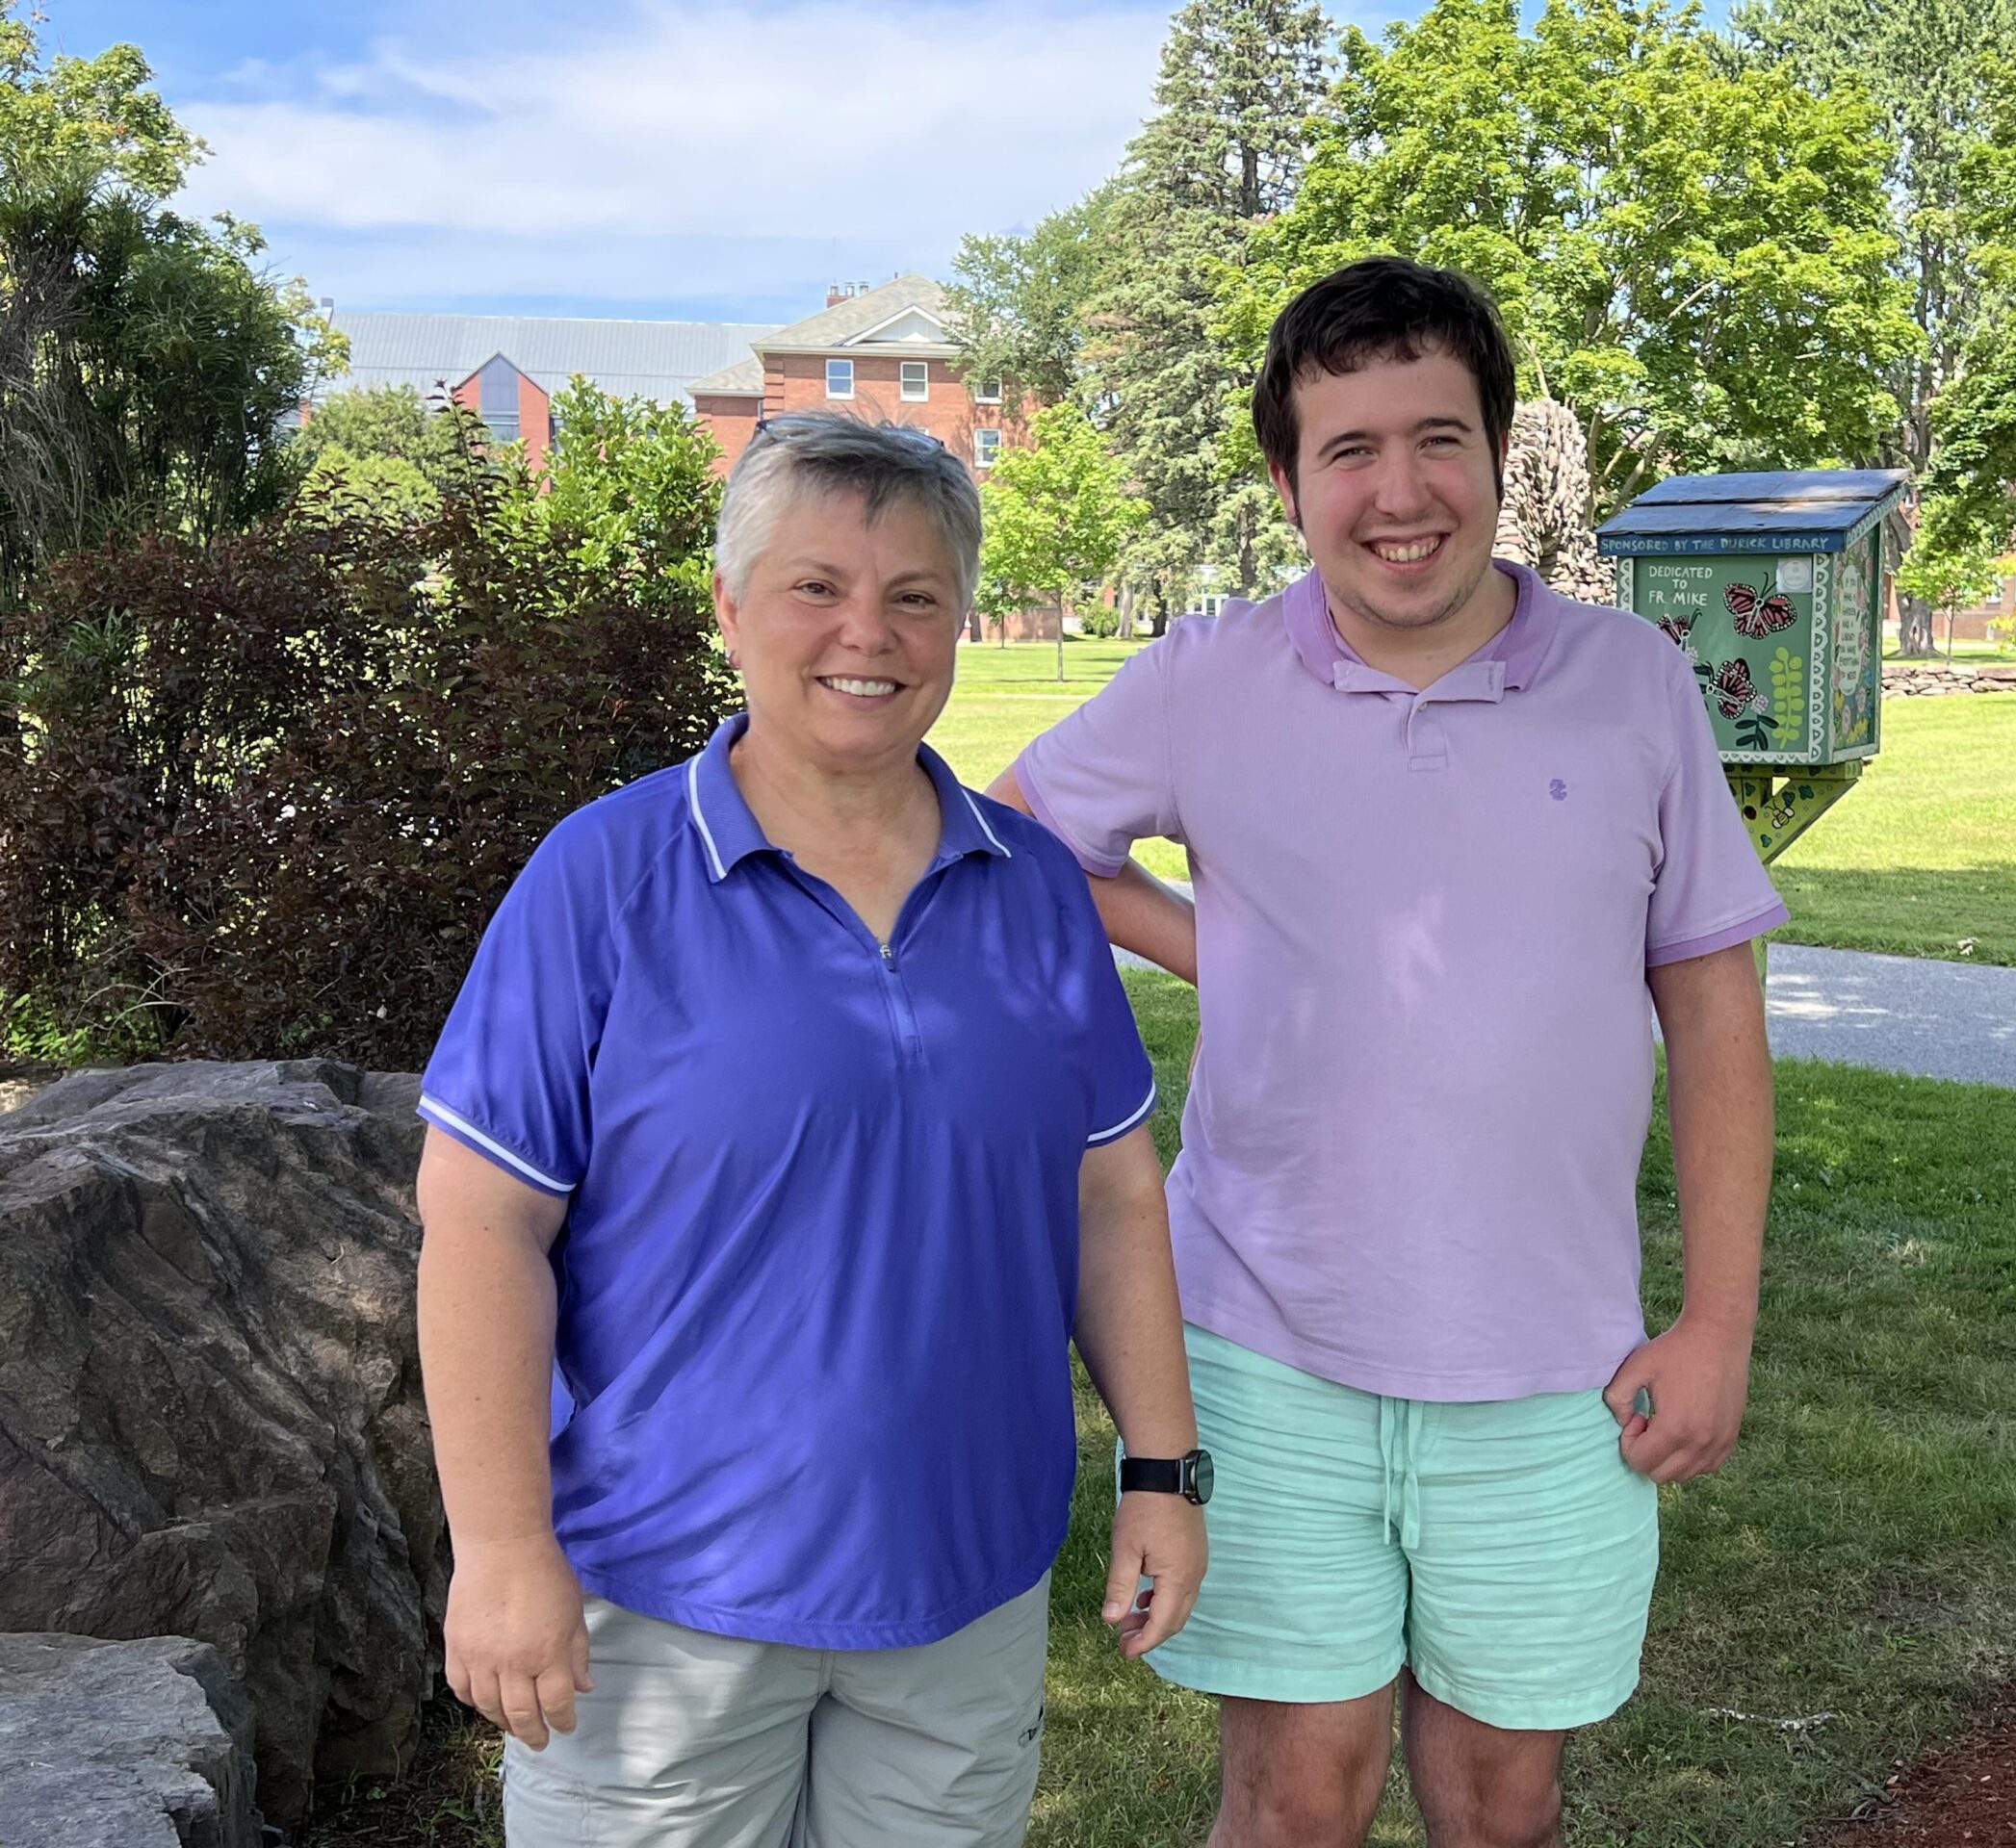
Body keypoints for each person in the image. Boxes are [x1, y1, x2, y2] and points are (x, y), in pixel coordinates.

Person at [989, 258, 1783, 1848]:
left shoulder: (1633, 683)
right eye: (1349, 450)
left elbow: (1712, 1009)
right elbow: (1017, 837)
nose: (1400, 492)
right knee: (1297, 1799)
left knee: (1504, 1808)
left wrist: (1716, 1323)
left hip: (1558, 1364)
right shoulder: (1209, 674)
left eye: (1440, 440)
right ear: (1290, 483)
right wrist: (1223, 943)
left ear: (1497, 456)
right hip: (1267, 1341)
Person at [415, 414, 1209, 1848]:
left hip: (963, 1599)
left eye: (916, 596)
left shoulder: (1034, 886)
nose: (871, 632)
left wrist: (1159, 1467)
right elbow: (480, 1223)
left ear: (961, 621)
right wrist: (502, 1547)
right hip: (662, 1603)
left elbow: (1110, 1197)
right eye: (817, 587)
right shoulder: (599, 881)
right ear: (729, 610)